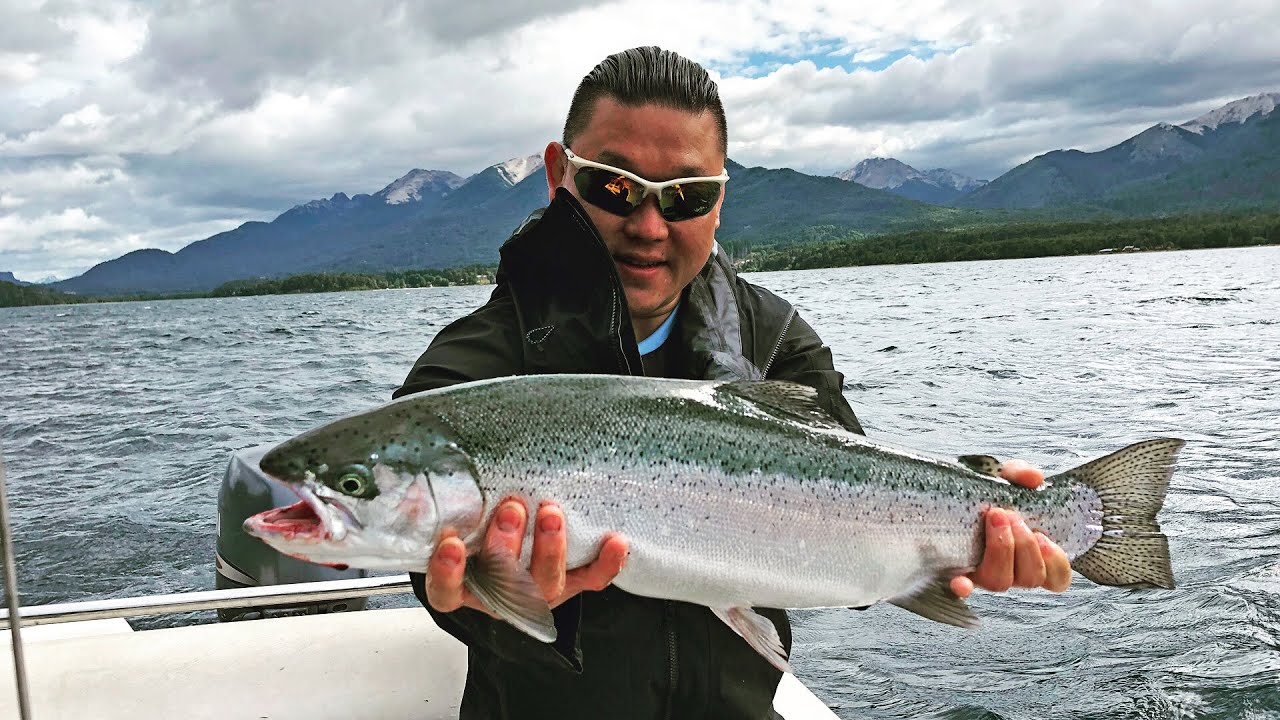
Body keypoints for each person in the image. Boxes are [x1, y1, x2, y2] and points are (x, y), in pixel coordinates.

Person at [394, 46, 1072, 719]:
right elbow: (417, 553)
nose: (649, 226)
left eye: (686, 196)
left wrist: (971, 526)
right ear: (557, 176)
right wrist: (467, 594)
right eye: (614, 186)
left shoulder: (773, 339)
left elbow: (851, 530)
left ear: (719, 202)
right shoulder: (466, 372)